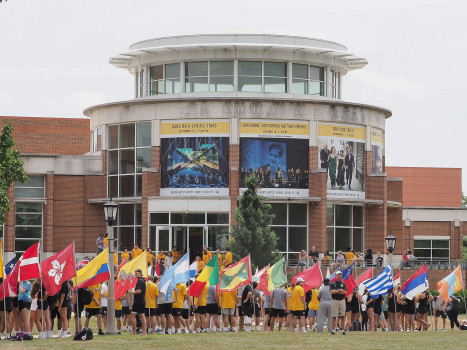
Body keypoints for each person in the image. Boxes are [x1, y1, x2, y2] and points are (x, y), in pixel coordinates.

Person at [130, 269, 147, 335]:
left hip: (138, 301)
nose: (135, 274)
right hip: (141, 301)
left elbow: (138, 291)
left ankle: (135, 332)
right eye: (135, 273)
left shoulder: (140, 281)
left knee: (133, 315)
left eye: (137, 273)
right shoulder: (142, 281)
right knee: (142, 316)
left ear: (140, 273)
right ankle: (144, 332)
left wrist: (131, 292)